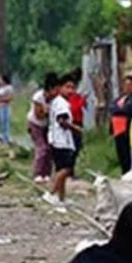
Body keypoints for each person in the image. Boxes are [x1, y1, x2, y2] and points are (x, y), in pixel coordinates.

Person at [42, 77, 80, 211]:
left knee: (60, 169)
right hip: (61, 140)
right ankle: (51, 193)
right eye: (67, 87)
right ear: (60, 88)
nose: (71, 90)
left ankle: (61, 198)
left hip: (57, 139)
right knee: (66, 169)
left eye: (73, 88)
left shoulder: (58, 102)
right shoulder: (61, 103)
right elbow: (62, 120)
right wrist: (76, 128)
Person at [28, 73, 60, 183]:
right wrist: (47, 111)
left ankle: (47, 173)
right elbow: (38, 115)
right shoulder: (38, 97)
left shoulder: (55, 99)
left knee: (50, 149)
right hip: (36, 124)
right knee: (42, 148)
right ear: (50, 88)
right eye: (55, 89)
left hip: (47, 125)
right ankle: (37, 173)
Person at [111, 75, 132, 175]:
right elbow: (112, 108)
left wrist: (118, 110)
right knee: (121, 154)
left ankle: (129, 173)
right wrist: (118, 110)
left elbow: (128, 110)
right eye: (125, 85)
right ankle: (124, 172)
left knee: (128, 153)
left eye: (130, 85)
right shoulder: (120, 98)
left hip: (128, 129)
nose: (127, 87)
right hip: (117, 130)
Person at [66, 69, 87, 154]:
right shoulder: (74, 94)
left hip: (75, 119)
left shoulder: (76, 93)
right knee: (75, 143)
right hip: (74, 119)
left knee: (75, 143)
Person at [0, 74, 15, 145]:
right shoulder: (0, 89)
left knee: (6, 122)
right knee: (2, 123)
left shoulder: (9, 87)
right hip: (0, 107)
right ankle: (3, 139)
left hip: (5, 107)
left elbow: (10, 98)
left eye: (0, 79)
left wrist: (0, 100)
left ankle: (6, 139)